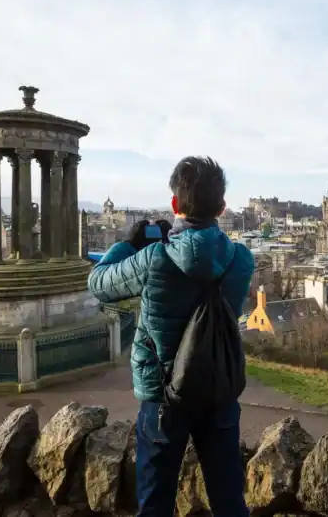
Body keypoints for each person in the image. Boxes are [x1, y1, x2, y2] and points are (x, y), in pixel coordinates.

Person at [88, 156, 254, 517]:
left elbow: (98, 284)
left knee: (155, 503)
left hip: (164, 394)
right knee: (229, 501)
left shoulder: (154, 257)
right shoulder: (241, 259)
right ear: (222, 208)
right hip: (219, 388)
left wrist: (127, 246)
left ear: (175, 204)